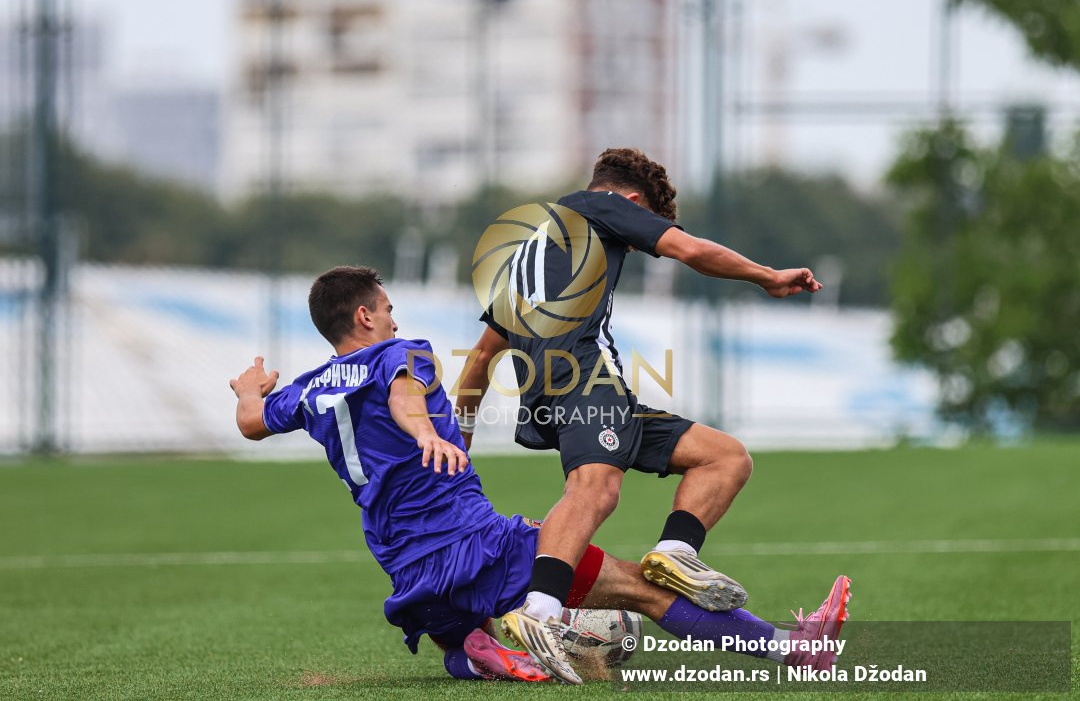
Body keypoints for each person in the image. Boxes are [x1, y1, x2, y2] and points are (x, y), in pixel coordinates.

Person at [230, 265, 849, 685]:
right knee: (645, 591)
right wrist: (424, 433)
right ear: (364, 317)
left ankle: (476, 654)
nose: (394, 317)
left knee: (460, 637)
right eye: (387, 308)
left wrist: (247, 389)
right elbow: (403, 398)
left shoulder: (307, 390)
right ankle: (795, 648)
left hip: (405, 567)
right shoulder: (403, 353)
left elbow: (253, 423)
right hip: (476, 544)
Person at [455, 148, 826, 679]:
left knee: (724, 457)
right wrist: (766, 276)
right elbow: (690, 250)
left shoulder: (528, 254)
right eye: (645, 221)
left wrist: (460, 432)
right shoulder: (600, 205)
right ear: (632, 201)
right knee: (595, 489)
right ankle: (541, 610)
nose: (641, 236)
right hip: (584, 377)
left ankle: (675, 552)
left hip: (557, 390)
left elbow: (484, 355)